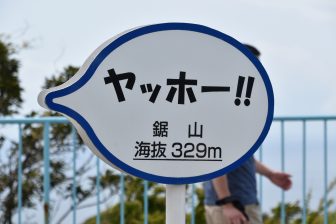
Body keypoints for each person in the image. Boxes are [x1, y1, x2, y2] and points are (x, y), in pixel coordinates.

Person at [203, 45, 292, 224]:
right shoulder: (224, 108)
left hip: (236, 202)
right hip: (233, 206)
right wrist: (227, 202)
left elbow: (238, 156)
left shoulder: (233, 105)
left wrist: (270, 174)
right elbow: (213, 157)